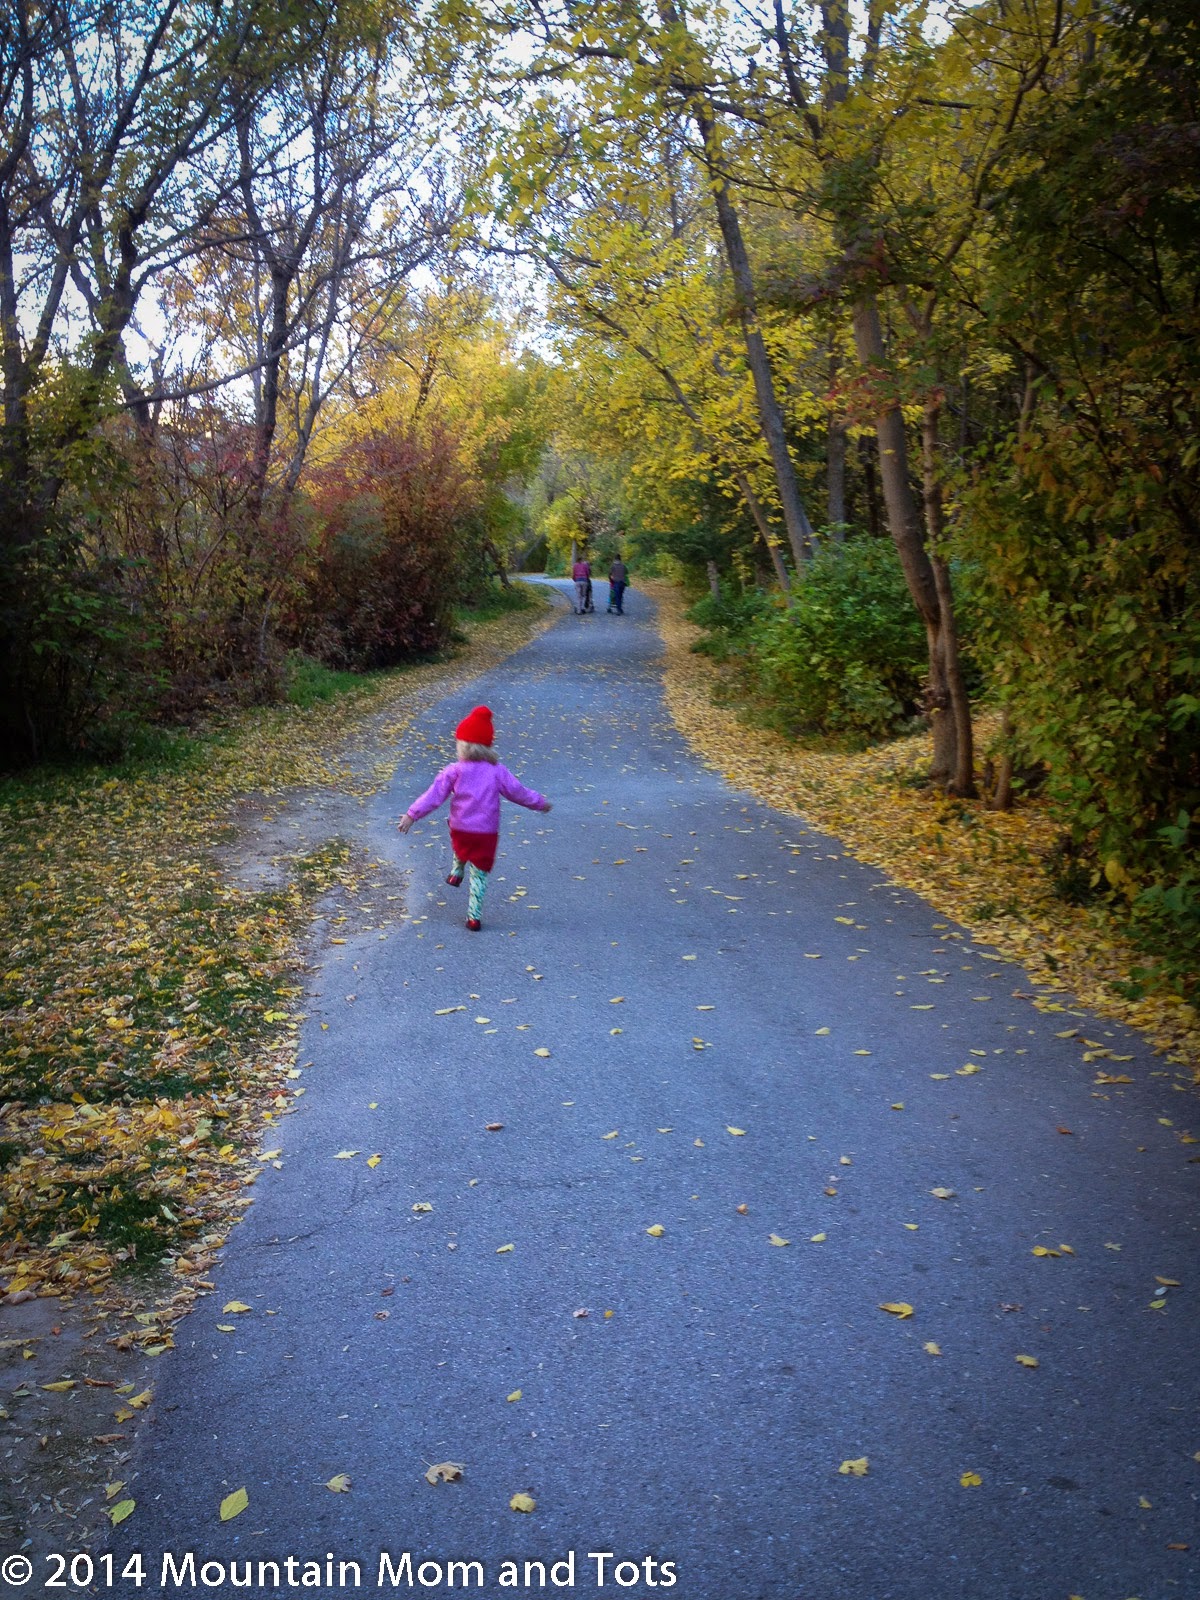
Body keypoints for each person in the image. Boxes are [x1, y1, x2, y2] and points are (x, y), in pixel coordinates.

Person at [397, 705, 552, 931]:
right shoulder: (497, 771)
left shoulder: (454, 771)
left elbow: (434, 796)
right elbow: (518, 792)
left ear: (465, 746)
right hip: (486, 834)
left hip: (460, 829)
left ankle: (457, 870)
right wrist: (540, 802)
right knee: (479, 874)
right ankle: (473, 917)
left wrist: (412, 814)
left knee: (460, 841)